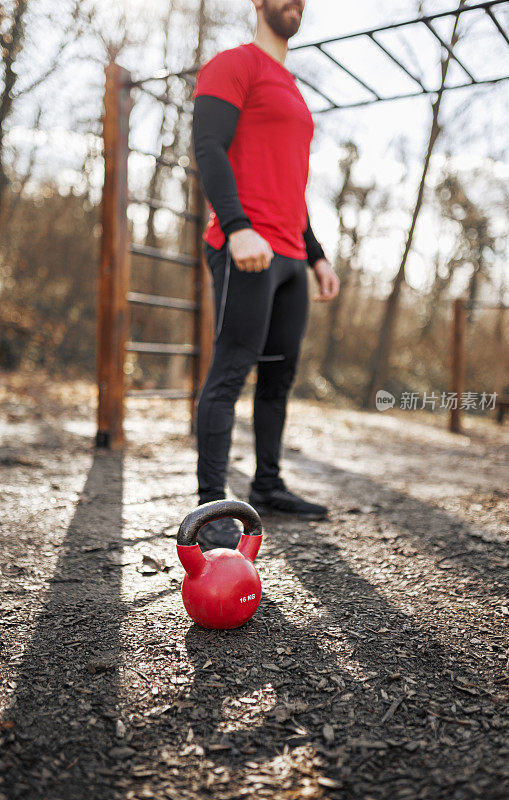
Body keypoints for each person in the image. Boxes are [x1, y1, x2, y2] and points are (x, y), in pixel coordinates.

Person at [192, 0, 340, 551]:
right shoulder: (234, 64)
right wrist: (236, 226)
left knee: (278, 378)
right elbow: (207, 145)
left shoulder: (295, 90)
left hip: (289, 257)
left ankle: (268, 484)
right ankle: (212, 505)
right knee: (230, 373)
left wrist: (317, 253)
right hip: (246, 249)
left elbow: (291, 185)